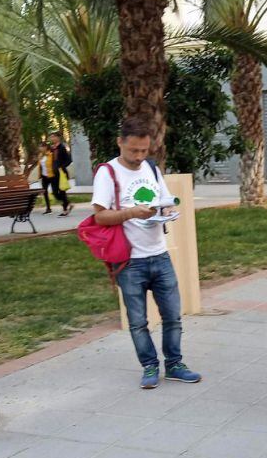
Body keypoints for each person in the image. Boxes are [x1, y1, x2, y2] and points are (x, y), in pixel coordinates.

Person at [91, 116, 202, 389]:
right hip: (130, 261)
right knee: (138, 321)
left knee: (173, 316)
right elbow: (100, 217)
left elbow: (163, 199)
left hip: (160, 255)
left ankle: (175, 364)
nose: (139, 156)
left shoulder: (151, 169)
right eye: (133, 151)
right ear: (120, 142)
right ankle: (149, 366)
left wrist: (166, 210)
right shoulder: (108, 173)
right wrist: (131, 212)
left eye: (144, 150)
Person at [49, 131, 72, 216]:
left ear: (58, 137)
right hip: (53, 173)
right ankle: (67, 202)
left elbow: (69, 160)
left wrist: (61, 167)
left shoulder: (62, 147)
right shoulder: (51, 148)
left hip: (61, 173)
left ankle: (65, 210)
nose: (52, 138)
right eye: (51, 137)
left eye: (53, 136)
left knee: (62, 191)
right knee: (55, 192)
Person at [38, 142, 57, 214]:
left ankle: (66, 204)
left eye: (41, 147)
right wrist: (39, 175)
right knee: (45, 192)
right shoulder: (40, 155)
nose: (40, 148)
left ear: (46, 147)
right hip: (44, 176)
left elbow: (55, 164)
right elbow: (40, 166)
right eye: (39, 147)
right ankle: (48, 208)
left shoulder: (51, 154)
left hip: (52, 176)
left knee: (55, 192)